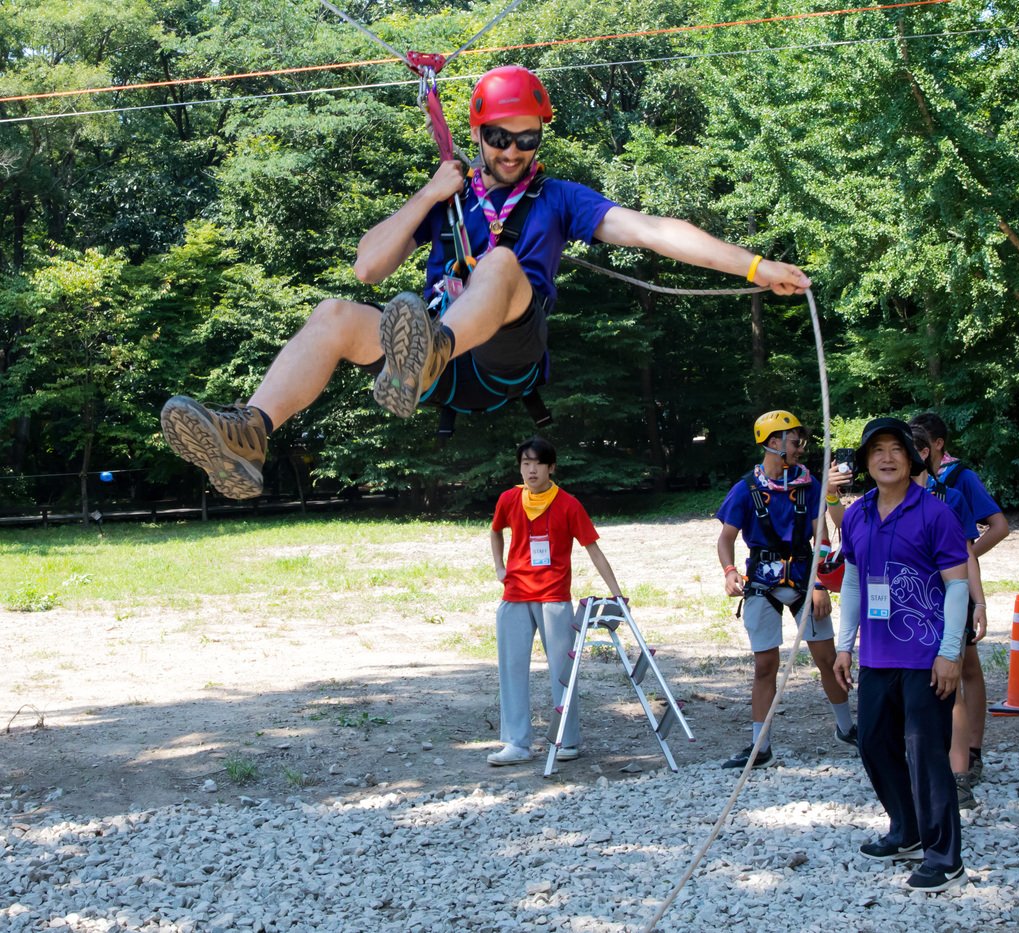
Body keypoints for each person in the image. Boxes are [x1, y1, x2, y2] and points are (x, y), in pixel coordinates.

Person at [161, 65, 811, 499]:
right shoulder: (449, 198)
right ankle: (249, 431)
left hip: (505, 352)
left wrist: (756, 266)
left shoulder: (559, 199)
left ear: (539, 140)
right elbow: (367, 266)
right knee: (334, 312)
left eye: (525, 140)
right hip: (430, 359)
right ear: (477, 133)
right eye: (499, 137)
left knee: (500, 262)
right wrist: (426, 195)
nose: (511, 151)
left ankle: (428, 350)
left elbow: (651, 229)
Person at [833, 417, 970, 893]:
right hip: (876, 654)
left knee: (926, 752)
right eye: (876, 451)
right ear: (865, 462)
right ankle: (907, 830)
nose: (886, 458)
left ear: (914, 458)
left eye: (896, 449)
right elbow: (852, 580)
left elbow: (957, 587)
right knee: (872, 742)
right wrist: (844, 644)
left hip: (926, 653)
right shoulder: (856, 514)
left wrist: (950, 654)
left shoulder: (936, 514)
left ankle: (944, 857)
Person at [716, 410, 850, 769]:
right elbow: (726, 538)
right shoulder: (746, 490)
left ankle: (848, 729)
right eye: (794, 441)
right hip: (761, 583)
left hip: (807, 580)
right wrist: (730, 571)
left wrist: (820, 582)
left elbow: (828, 531)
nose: (800, 448)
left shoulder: (810, 484)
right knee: (765, 665)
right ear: (773, 443)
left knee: (827, 658)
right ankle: (761, 746)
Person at [487, 436, 623, 765]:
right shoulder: (509, 499)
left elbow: (593, 548)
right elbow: (495, 531)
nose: (531, 470)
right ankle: (517, 743)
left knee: (563, 671)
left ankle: (567, 740)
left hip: (554, 598)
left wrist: (616, 592)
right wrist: (500, 567)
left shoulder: (568, 504)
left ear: (551, 467)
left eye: (537, 463)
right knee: (511, 669)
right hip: (515, 595)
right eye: (525, 464)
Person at [909, 412, 1008, 788]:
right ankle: (935, 760)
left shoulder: (956, 485)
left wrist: (966, 576)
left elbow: (991, 531)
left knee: (963, 671)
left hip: (953, 592)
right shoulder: (890, 493)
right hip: (915, 599)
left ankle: (968, 757)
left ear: (933, 448)